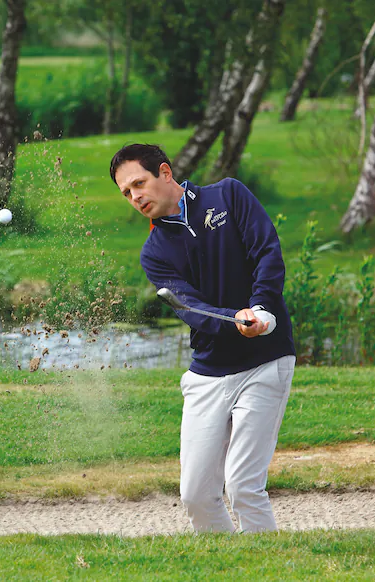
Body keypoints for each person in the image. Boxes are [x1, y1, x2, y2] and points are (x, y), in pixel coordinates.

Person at [109, 143, 296, 533]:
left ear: (164, 172)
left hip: (266, 361)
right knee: (195, 494)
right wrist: (235, 319)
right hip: (208, 372)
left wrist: (261, 308)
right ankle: (227, 567)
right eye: (126, 193)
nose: (135, 197)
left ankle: (268, 567)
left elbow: (266, 253)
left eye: (138, 184)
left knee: (244, 485)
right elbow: (191, 308)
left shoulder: (228, 195)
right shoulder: (154, 252)